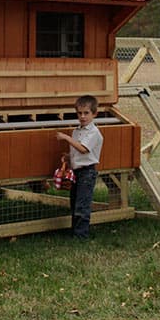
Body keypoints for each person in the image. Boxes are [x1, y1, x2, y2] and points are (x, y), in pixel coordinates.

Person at [56, 95, 103, 239]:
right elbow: (78, 152)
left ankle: (81, 235)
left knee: (82, 204)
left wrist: (66, 138)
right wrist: (69, 158)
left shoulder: (94, 132)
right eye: (79, 113)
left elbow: (83, 149)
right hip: (77, 171)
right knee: (75, 202)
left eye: (86, 113)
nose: (82, 117)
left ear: (94, 113)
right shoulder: (77, 131)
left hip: (87, 172)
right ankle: (75, 231)